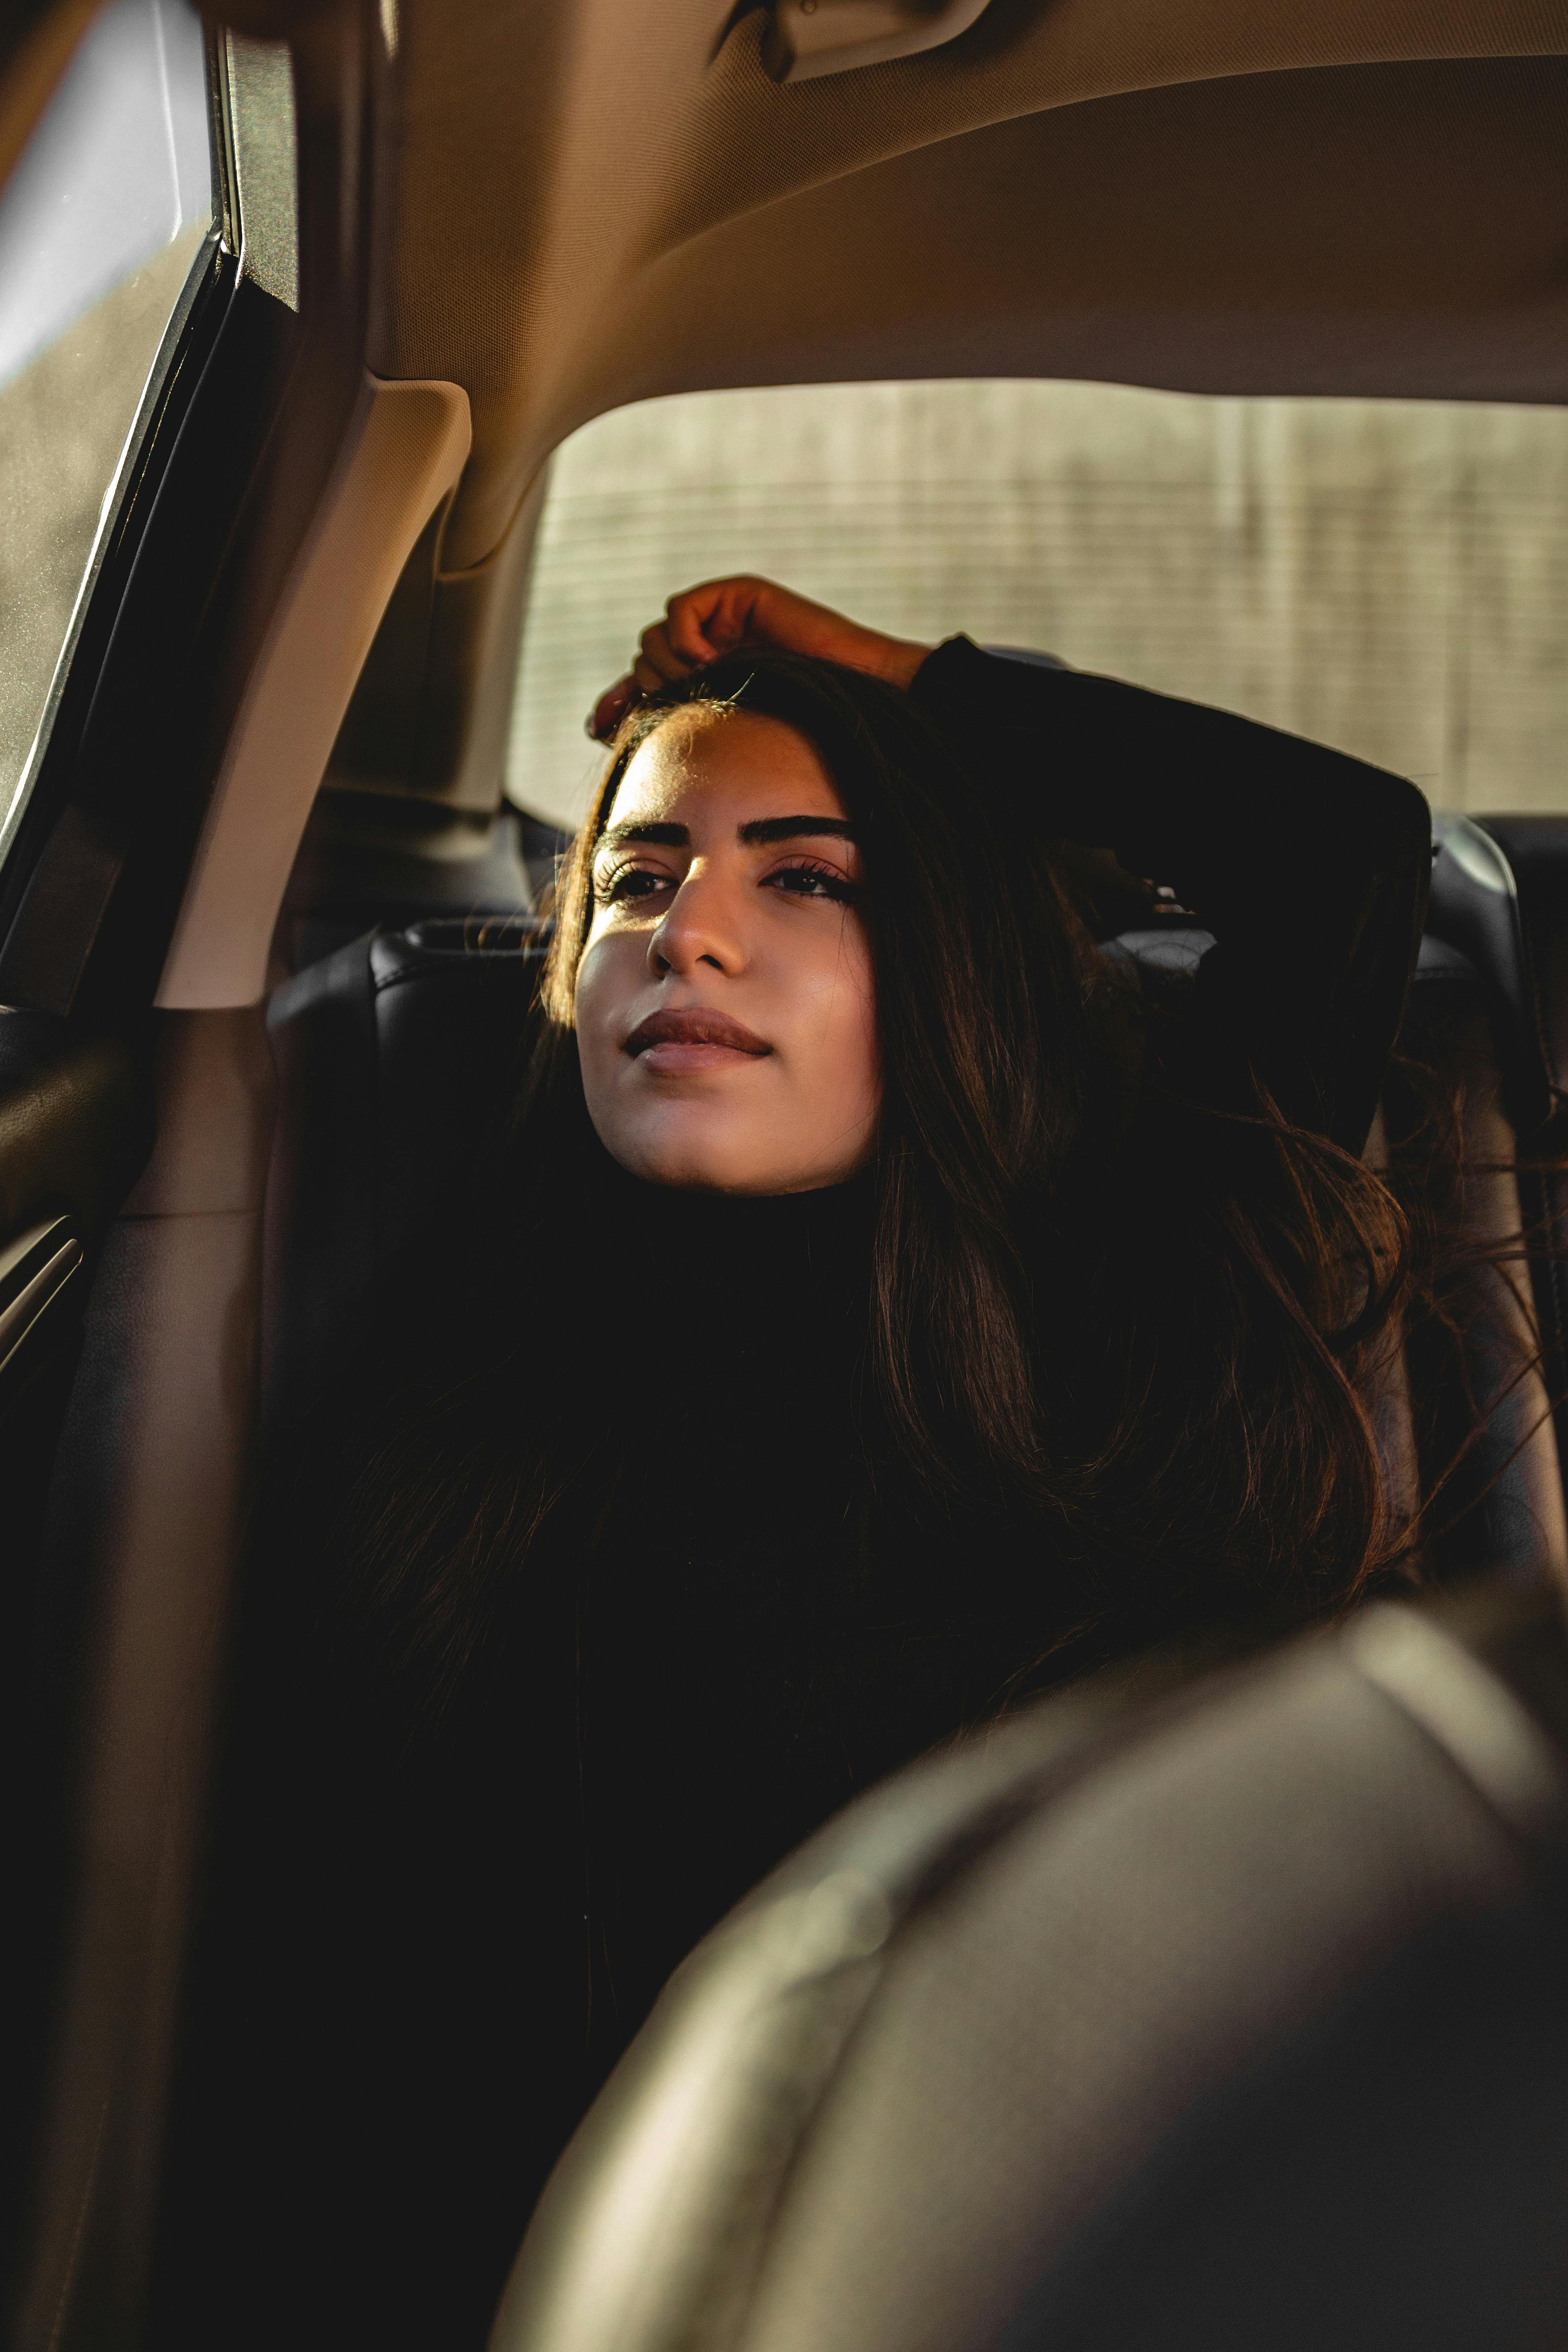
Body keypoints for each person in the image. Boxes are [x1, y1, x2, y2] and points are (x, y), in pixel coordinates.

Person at [153, 578, 1431, 2351]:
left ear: (949, 957)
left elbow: (1342, 853)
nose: (688, 938)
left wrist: (901, 681)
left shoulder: (1124, 1310)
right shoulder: (436, 1399)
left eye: (806, 879)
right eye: (637, 879)